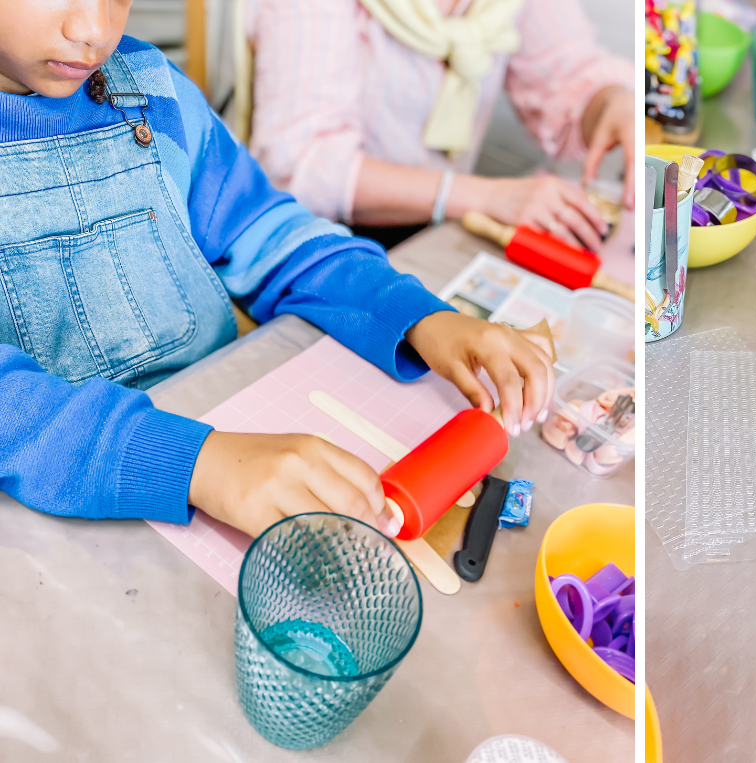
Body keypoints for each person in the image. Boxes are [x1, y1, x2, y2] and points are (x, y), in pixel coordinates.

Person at [0, 0, 554, 540]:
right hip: (61, 519)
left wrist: (416, 315)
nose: (95, 28)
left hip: (219, 434)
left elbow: (268, 233)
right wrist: (198, 465)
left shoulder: (152, 91)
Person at [246, 0, 634, 251]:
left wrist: (611, 102)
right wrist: (485, 196)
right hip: (313, 241)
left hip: (435, 230)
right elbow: (302, 164)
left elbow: (570, 77)